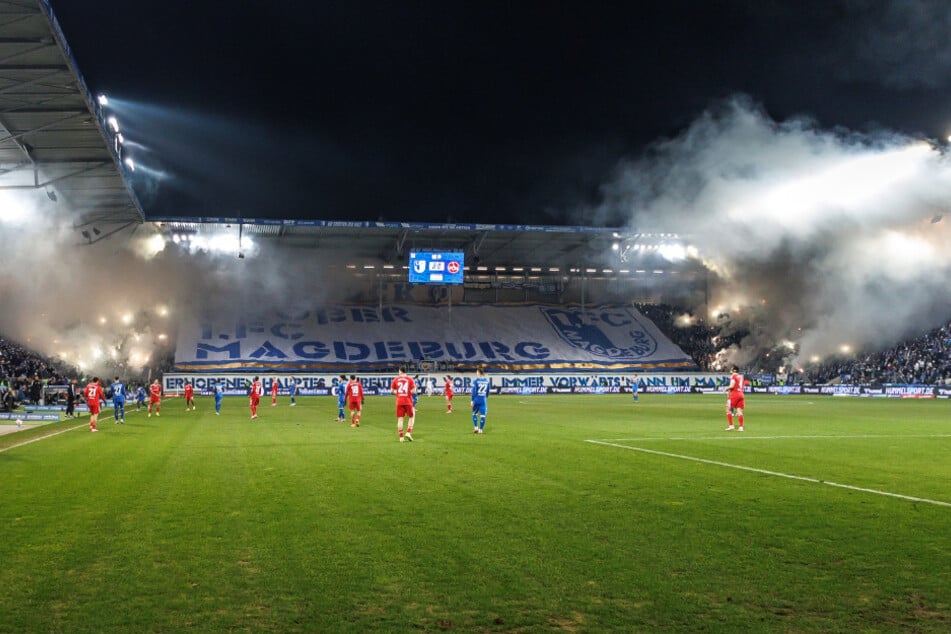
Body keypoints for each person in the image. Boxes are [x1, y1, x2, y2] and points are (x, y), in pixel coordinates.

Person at [391, 366, 416, 442]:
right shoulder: (410, 379)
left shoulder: (395, 379)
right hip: (408, 401)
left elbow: (392, 391)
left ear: (400, 371)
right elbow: (414, 391)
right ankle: (408, 432)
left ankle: (401, 437)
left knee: (400, 419)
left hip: (399, 401)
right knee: (412, 416)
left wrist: (398, 393)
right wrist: (408, 392)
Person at [725, 364, 745, 432]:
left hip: (734, 394)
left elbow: (732, 386)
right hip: (741, 394)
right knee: (739, 411)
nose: (730, 370)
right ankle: (741, 427)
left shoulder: (733, 376)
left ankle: (731, 426)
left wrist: (726, 388)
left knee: (728, 409)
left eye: (731, 369)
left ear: (734, 370)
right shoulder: (741, 376)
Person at [471, 367, 490, 434]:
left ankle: (476, 427)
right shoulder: (487, 381)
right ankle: (480, 430)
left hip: (476, 399)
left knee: (474, 414)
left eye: (476, 372)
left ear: (479, 372)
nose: (476, 373)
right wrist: (485, 397)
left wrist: (472, 400)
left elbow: (474, 391)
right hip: (483, 400)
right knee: (483, 415)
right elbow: (488, 392)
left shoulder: (476, 381)